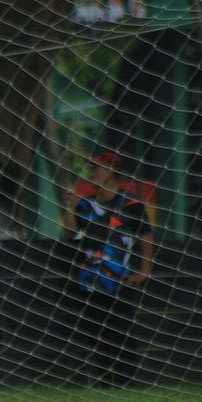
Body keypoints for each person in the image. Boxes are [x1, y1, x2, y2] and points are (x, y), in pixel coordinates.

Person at [62, 151, 153, 387]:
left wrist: (144, 270)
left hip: (122, 279)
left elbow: (146, 236)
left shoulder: (132, 204)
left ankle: (125, 382)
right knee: (96, 332)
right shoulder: (86, 204)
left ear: (110, 171)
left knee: (122, 330)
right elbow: (70, 233)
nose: (92, 173)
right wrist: (70, 206)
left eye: (96, 168)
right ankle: (105, 381)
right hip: (91, 279)